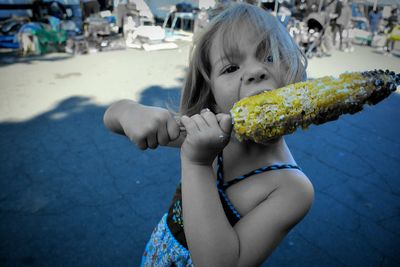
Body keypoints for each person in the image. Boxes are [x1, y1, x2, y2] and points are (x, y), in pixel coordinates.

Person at [103, 3, 314, 266]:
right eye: (230, 68)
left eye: (270, 56)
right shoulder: (213, 130)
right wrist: (129, 110)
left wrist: (197, 164)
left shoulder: (292, 190)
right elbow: (111, 118)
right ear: (211, 96)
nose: (255, 71)